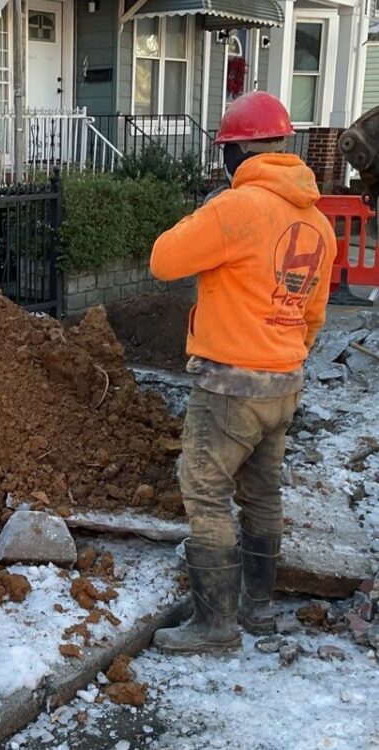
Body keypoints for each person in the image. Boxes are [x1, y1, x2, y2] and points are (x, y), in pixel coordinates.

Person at [149, 91, 337, 654]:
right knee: (262, 494)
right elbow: (314, 315)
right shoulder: (318, 222)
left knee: (205, 496)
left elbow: (164, 259)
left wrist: (207, 210)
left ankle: (215, 625)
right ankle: (258, 611)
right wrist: (282, 352)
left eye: (225, 151)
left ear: (237, 150)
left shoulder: (237, 208)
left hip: (231, 386)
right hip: (283, 383)